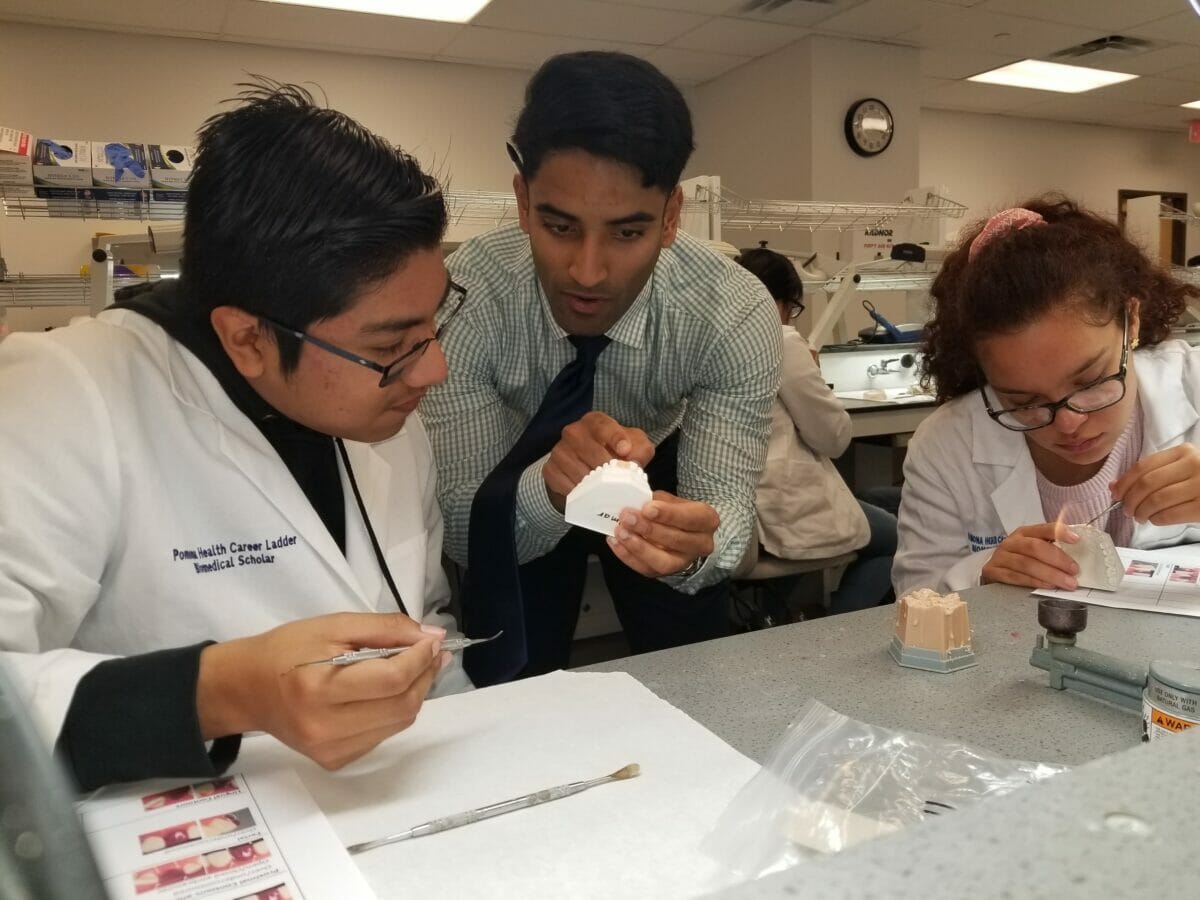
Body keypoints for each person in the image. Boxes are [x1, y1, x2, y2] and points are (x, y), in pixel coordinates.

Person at [0, 81, 470, 791]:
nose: (432, 368)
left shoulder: (386, 405)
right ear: (247, 337)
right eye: (394, 343)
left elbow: (424, 610)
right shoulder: (63, 395)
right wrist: (222, 693)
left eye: (433, 323)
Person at [420, 51, 781, 684]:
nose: (587, 273)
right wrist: (550, 491)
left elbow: (722, 511)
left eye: (626, 233)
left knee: (690, 662)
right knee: (512, 673)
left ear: (671, 217)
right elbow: (462, 529)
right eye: (559, 226)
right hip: (513, 467)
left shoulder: (732, 310)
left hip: (658, 467)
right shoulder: (465, 302)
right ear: (523, 201)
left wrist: (693, 552)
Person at [893, 195, 1200, 597]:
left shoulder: (1193, 382)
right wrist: (982, 575)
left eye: (1090, 383)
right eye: (1024, 402)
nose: (1068, 423)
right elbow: (916, 598)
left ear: (1132, 321)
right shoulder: (947, 443)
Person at [735, 248, 897, 614]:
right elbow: (834, 439)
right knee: (899, 537)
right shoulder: (781, 341)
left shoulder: (709, 341)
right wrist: (814, 371)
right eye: (792, 308)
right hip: (780, 508)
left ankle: (779, 620)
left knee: (874, 500)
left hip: (737, 513)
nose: (790, 318)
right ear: (777, 301)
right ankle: (834, 632)